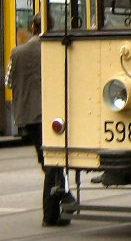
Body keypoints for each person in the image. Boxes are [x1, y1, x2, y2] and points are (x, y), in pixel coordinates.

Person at [6, 14, 73, 226]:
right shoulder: (53, 49)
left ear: (33, 27)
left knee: (49, 162)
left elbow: (9, 82)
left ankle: (62, 199)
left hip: (28, 116)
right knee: (52, 163)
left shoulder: (17, 52)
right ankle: (52, 212)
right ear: (50, 26)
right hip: (51, 114)